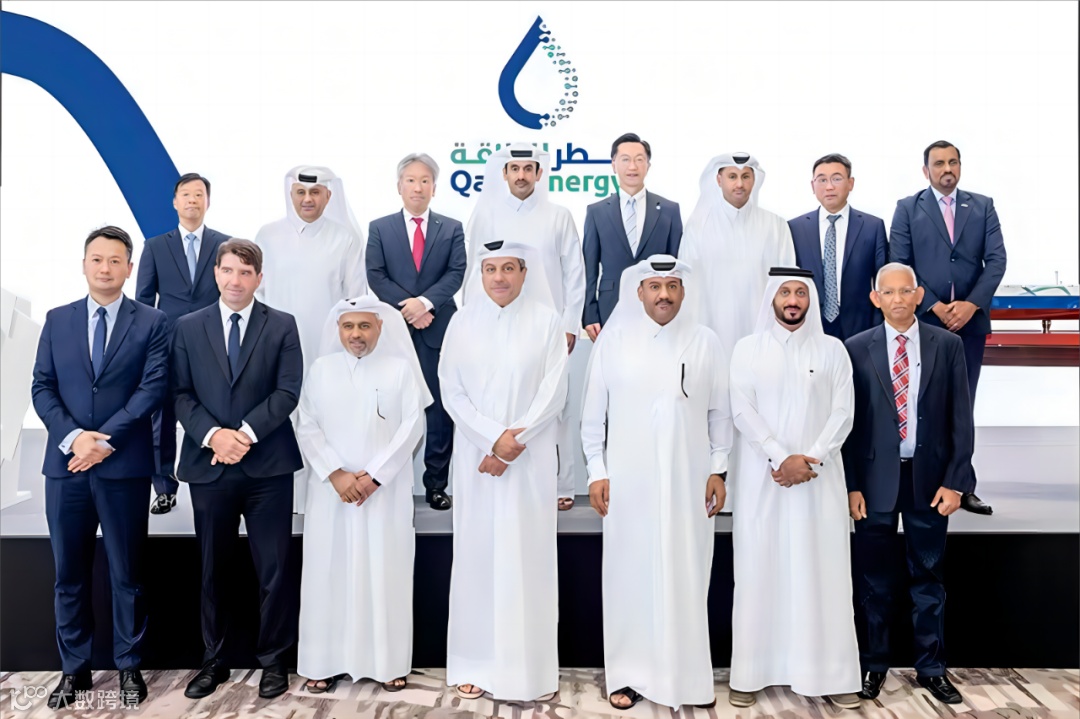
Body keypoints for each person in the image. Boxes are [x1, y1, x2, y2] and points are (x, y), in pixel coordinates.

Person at [581, 256, 732, 711]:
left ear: (683, 292)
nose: (664, 294)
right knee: (629, 575)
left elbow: (719, 413)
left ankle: (686, 678)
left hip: (689, 482)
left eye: (672, 286)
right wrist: (596, 471)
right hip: (628, 484)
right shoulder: (614, 341)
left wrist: (719, 468)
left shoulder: (705, 341)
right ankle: (628, 675)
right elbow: (593, 416)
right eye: (655, 286)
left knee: (686, 574)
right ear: (639, 292)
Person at [32, 226, 169, 708]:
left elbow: (152, 388)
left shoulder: (152, 322)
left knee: (127, 573)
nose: (105, 268)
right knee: (69, 574)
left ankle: (129, 666)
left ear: (129, 268)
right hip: (66, 467)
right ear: (84, 264)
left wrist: (104, 441)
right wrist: (75, 438)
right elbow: (42, 387)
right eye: (97, 259)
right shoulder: (57, 319)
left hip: (122, 467)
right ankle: (75, 670)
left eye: (115, 260)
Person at [171, 239, 304, 700]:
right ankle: (214, 661)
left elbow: (288, 391)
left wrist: (244, 435)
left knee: (275, 570)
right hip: (209, 466)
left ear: (259, 279)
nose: (235, 280)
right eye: (228, 270)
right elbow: (180, 393)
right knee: (214, 569)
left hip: (268, 468)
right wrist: (215, 436)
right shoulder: (187, 327)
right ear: (216, 274)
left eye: (245, 273)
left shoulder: (282, 325)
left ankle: (274, 661)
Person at [438, 241, 568, 702]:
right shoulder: (461, 322)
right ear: (481, 275)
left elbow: (555, 390)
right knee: (478, 557)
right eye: (491, 269)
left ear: (524, 273)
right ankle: (474, 663)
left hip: (529, 460)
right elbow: (451, 390)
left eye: (508, 268)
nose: (499, 277)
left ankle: (528, 670)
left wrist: (514, 443)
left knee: (527, 559)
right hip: (478, 460)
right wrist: (493, 438)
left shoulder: (547, 322)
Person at [726, 267, 861, 710]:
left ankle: (833, 675)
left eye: (800, 292)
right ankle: (751, 673)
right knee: (758, 571)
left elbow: (843, 412)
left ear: (811, 300)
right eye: (784, 291)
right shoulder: (746, 349)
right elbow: (742, 410)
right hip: (763, 480)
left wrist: (811, 458)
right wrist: (779, 456)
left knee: (823, 574)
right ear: (771, 297)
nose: (792, 300)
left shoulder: (832, 349)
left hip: (818, 480)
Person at [843, 262, 973, 705]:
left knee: (928, 579)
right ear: (875, 298)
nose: (898, 299)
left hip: (929, 481)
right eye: (889, 292)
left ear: (919, 295)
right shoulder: (855, 348)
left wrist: (956, 482)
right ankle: (873, 664)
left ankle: (931, 668)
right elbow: (849, 426)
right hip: (874, 482)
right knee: (873, 582)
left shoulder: (948, 345)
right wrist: (852, 485)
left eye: (905, 291)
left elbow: (961, 419)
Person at [296, 295, 432, 695]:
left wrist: (374, 476)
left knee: (384, 573)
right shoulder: (321, 370)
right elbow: (306, 424)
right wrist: (336, 473)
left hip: (383, 495)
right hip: (332, 493)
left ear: (379, 328)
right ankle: (322, 662)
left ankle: (388, 664)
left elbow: (413, 426)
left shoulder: (400, 369)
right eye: (348, 326)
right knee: (328, 573)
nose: (356, 334)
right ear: (338, 330)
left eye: (364, 326)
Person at [465, 142, 585, 510]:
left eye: (528, 169)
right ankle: (501, 471)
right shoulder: (486, 215)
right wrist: (473, 322)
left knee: (556, 405)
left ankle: (562, 484)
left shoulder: (559, 215)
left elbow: (574, 272)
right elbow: (474, 270)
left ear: (539, 173)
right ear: (504, 173)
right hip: (497, 325)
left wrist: (570, 323)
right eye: (514, 169)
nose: (521, 175)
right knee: (503, 398)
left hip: (550, 326)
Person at [890, 141, 1005, 516]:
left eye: (953, 162)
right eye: (938, 163)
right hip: (925, 322)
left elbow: (996, 260)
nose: (947, 169)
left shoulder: (982, 206)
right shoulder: (908, 208)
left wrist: (972, 305)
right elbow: (900, 264)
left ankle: (962, 485)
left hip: (970, 324)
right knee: (923, 403)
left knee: (963, 406)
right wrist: (935, 305)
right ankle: (924, 484)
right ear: (926, 171)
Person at [255, 165, 367, 513]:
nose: (307, 199)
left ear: (328, 196)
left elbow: (355, 299)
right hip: (275, 348)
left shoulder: (345, 238)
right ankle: (282, 500)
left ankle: (319, 502)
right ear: (291, 194)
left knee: (322, 421)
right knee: (279, 421)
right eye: (301, 192)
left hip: (326, 350)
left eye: (315, 192)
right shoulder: (267, 235)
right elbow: (257, 293)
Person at [367, 153, 466, 511]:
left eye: (425, 181)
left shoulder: (451, 228)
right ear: (399, 186)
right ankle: (387, 481)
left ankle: (436, 485)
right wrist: (408, 308)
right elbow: (376, 275)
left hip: (438, 328)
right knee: (391, 407)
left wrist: (425, 304)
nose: (418, 187)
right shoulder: (380, 228)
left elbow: (456, 273)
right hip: (395, 329)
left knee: (438, 409)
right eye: (411, 180)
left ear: (434, 188)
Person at [136, 172, 231, 516]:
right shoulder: (155, 246)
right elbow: (144, 301)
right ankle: (164, 487)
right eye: (186, 194)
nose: (193, 200)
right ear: (175, 202)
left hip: (212, 344)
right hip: (167, 345)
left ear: (208, 202)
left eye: (199, 194)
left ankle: (212, 480)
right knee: (161, 417)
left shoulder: (225, 245)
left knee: (213, 412)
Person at [680, 153, 796, 362]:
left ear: (755, 179)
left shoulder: (776, 226)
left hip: (763, 334)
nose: (740, 184)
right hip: (711, 332)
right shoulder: (697, 228)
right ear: (719, 180)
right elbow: (687, 286)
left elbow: (788, 286)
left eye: (746, 177)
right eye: (732, 176)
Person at [582, 133, 682, 338]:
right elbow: (589, 270)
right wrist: (589, 314)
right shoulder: (596, 212)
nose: (632, 167)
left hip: (658, 308)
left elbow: (676, 268)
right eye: (625, 159)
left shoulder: (669, 211)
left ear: (648, 166)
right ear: (614, 165)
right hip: (609, 307)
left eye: (639, 160)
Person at [789, 154, 887, 341]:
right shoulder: (795, 228)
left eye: (836, 179)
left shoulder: (872, 227)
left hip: (861, 328)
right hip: (808, 327)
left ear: (850, 183)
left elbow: (883, 281)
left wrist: (877, 325)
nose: (829, 187)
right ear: (812, 186)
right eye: (822, 180)